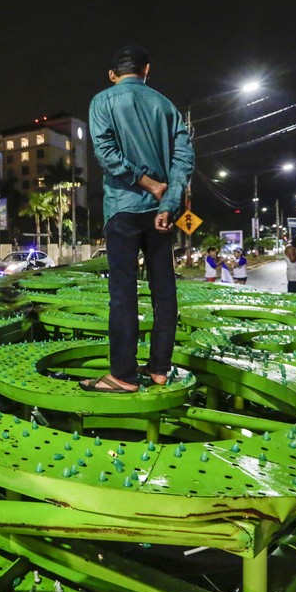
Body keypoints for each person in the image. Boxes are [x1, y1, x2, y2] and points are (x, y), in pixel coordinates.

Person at [80, 44, 194, 393]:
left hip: (122, 208)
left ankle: (123, 375)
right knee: (164, 290)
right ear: (147, 70)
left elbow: (107, 154)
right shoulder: (167, 106)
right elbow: (183, 161)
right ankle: (159, 369)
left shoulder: (103, 101)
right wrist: (167, 202)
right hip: (161, 213)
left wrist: (147, 183)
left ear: (112, 75)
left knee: (123, 293)